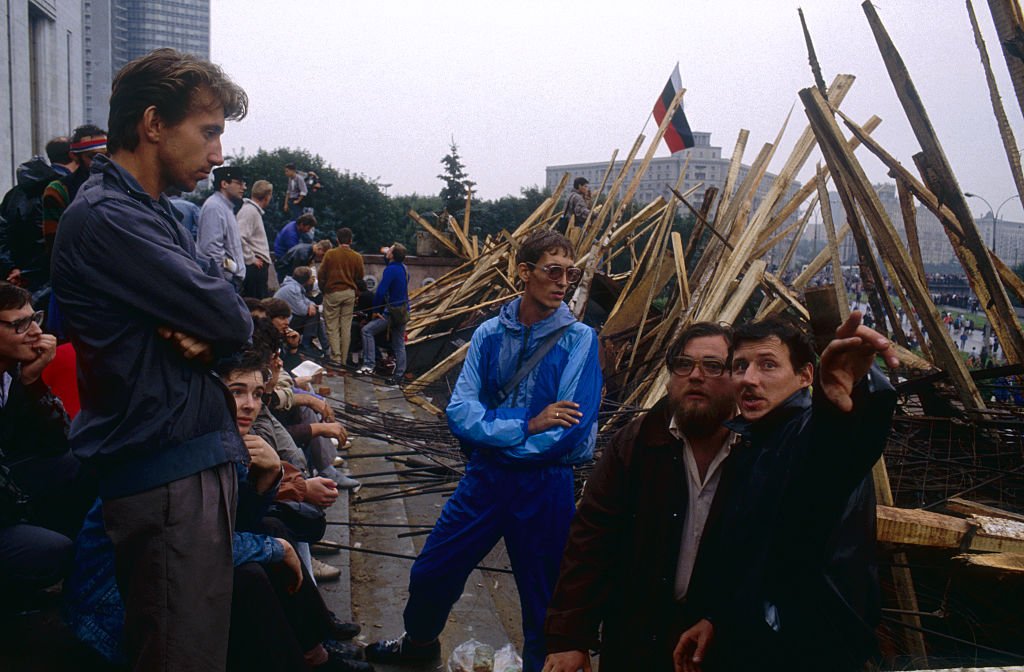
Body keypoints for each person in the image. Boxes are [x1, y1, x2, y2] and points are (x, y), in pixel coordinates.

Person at [50, 48, 252, 671]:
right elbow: (232, 317)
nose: (219, 154)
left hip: (184, 465)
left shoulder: (152, 211)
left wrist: (211, 331)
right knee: (179, 653)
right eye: (209, 131)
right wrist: (214, 329)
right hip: (164, 477)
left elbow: (220, 318)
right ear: (154, 124)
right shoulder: (109, 216)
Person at [366, 230, 603, 672]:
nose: (563, 282)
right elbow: (459, 411)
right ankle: (418, 645)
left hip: (545, 485)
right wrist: (525, 426)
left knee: (543, 597)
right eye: (553, 271)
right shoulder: (489, 334)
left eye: (569, 274)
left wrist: (490, 437)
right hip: (485, 480)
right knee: (432, 571)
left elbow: (569, 431)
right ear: (524, 272)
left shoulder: (580, 340)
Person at [673, 313, 899, 672]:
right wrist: (716, 618)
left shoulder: (804, 435)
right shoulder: (755, 443)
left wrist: (853, 389)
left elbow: (834, 449)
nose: (748, 379)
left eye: (767, 365)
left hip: (808, 651)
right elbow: (757, 555)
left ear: (806, 376)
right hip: (758, 643)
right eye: (740, 366)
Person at [543, 323, 739, 672]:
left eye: (712, 365)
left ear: (737, 377)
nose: (696, 375)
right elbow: (591, 540)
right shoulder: (637, 444)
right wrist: (571, 639)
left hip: (719, 644)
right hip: (638, 638)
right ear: (670, 380)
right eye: (684, 364)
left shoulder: (757, 453)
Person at [0, 282, 76, 608]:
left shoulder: (13, 376)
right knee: (49, 552)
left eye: (35, 319)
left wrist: (32, 382)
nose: (34, 331)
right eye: (19, 324)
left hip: (8, 492)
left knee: (76, 464)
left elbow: (59, 441)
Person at [41, 125, 108, 253]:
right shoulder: (58, 190)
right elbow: (55, 244)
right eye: (93, 157)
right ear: (75, 156)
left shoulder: (122, 183)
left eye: (107, 155)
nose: (103, 162)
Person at [357, 243, 409, 385]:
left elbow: (380, 292)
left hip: (392, 311)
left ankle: (369, 365)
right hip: (404, 310)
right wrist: (386, 253)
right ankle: (399, 375)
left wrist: (375, 312)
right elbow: (390, 262)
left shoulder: (390, 270)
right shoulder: (404, 268)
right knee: (399, 344)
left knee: (367, 331)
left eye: (390, 250)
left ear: (392, 255)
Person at [319, 227, 364, 367]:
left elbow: (321, 275)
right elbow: (360, 277)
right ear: (350, 240)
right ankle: (344, 359)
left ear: (337, 240)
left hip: (332, 292)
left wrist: (324, 290)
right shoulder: (357, 257)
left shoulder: (330, 254)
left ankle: (336, 358)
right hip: (349, 293)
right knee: (346, 327)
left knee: (332, 326)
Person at [198, 165, 247, 290]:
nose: (244, 187)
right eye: (239, 183)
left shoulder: (225, 207)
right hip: (224, 282)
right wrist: (233, 272)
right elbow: (212, 250)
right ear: (224, 184)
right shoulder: (214, 207)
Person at [275, 265, 328, 357]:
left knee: (317, 316)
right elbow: (302, 311)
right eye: (312, 278)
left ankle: (325, 349)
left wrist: (310, 304)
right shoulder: (293, 289)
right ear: (306, 280)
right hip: (282, 322)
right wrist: (310, 306)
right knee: (314, 315)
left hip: (289, 318)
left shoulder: (295, 286)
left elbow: (305, 300)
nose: (313, 280)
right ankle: (306, 345)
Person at [238, 179, 274, 298]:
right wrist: (251, 259)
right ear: (267, 196)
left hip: (257, 266)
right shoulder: (250, 211)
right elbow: (239, 236)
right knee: (255, 305)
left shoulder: (252, 210)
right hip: (255, 267)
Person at [274, 212, 317, 278]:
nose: (308, 231)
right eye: (308, 228)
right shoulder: (291, 235)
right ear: (302, 224)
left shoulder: (295, 225)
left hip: (286, 254)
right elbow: (296, 253)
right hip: (282, 259)